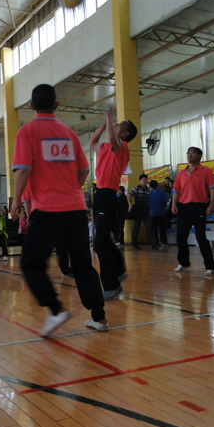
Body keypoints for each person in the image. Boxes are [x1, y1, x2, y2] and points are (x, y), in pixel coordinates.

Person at [10, 83, 108, 336]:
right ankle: (99, 318)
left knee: (31, 262)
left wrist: (17, 200)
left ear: (31, 105)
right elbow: (84, 170)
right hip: (76, 209)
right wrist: (70, 189)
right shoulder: (68, 133)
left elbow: (23, 168)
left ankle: (56, 309)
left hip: (47, 209)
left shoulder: (27, 131)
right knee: (82, 264)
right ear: (56, 105)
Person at [89, 103, 136, 300]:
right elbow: (92, 143)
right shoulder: (106, 146)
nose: (116, 124)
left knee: (100, 243)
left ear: (124, 134)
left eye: (119, 124)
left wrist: (109, 116)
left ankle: (112, 285)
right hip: (100, 194)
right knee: (104, 238)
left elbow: (111, 137)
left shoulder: (122, 147)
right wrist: (103, 124)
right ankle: (119, 270)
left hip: (108, 194)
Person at [172, 147, 214, 275]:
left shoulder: (206, 171)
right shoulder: (181, 173)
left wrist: (211, 205)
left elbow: (213, 189)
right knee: (180, 237)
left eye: (192, 153)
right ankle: (183, 263)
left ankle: (210, 266)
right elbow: (177, 191)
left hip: (199, 207)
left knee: (201, 237)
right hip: (183, 208)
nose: (189, 155)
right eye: (188, 153)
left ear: (199, 156)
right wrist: (174, 204)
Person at [128, 174, 153, 249]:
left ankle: (154, 244)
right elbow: (129, 195)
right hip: (138, 211)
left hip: (146, 211)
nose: (145, 181)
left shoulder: (148, 190)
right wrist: (130, 205)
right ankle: (134, 243)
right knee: (136, 228)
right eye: (143, 179)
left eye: (146, 179)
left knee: (149, 227)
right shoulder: (136, 188)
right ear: (140, 180)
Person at [149, 180, 168, 247]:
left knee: (154, 228)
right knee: (162, 228)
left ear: (150, 186)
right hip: (161, 212)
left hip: (153, 213)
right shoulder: (161, 192)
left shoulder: (149, 194)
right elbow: (166, 199)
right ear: (157, 184)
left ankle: (156, 242)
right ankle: (163, 241)